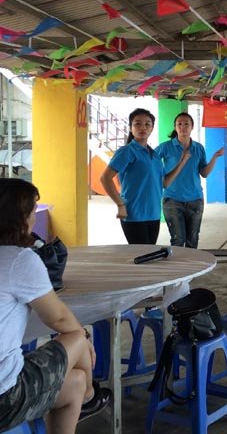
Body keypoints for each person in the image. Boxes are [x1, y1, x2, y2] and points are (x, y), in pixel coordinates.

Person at [0, 179, 112, 433]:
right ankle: (90, 396)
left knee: (75, 382)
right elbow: (59, 319)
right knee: (76, 336)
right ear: (20, 218)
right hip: (5, 397)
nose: (34, 218)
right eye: (33, 211)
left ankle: (85, 394)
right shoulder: (19, 260)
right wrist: (84, 340)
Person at [155, 113, 225, 249]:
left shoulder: (198, 148)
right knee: (178, 239)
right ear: (175, 127)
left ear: (192, 126)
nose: (183, 127)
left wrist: (215, 157)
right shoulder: (166, 147)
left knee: (193, 240)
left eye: (186, 124)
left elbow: (204, 173)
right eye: (179, 124)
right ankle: (178, 263)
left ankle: (191, 263)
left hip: (195, 199)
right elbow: (150, 160)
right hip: (172, 200)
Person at [100, 108, 164, 245]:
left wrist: (183, 161)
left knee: (150, 253)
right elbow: (105, 178)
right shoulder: (127, 151)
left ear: (152, 128)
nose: (143, 127)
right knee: (141, 254)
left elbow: (163, 183)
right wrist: (120, 204)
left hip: (154, 213)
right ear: (130, 128)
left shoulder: (155, 155)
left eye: (147, 124)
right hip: (134, 213)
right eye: (137, 124)